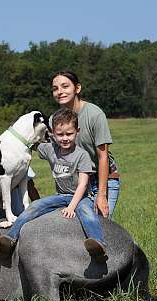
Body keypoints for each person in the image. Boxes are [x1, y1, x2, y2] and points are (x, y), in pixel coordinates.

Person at [0, 109, 106, 259]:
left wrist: (72, 207)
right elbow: (28, 142)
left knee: (87, 214)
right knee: (34, 207)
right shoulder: (50, 149)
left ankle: (97, 243)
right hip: (60, 196)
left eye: (69, 134)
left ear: (78, 131)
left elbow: (83, 184)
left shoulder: (82, 155)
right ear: (53, 134)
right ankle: (10, 239)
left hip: (81, 197)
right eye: (60, 134)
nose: (64, 138)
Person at [51, 70, 120, 218]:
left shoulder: (94, 114)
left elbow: (103, 157)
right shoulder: (54, 120)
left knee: (101, 227)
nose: (60, 92)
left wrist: (101, 195)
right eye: (55, 88)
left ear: (77, 88)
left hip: (101, 180)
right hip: (76, 181)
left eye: (65, 86)